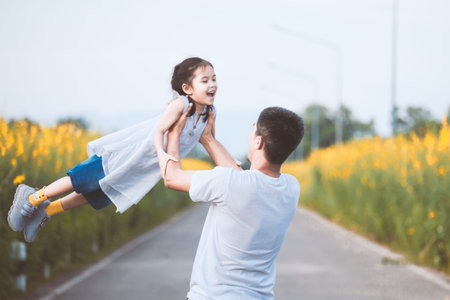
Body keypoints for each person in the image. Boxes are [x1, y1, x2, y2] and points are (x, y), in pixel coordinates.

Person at [8, 57, 222, 243]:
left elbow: (210, 141)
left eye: (214, 79)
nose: (212, 84)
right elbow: (159, 131)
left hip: (140, 171)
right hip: (126, 155)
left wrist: (232, 167)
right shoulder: (181, 105)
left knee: (96, 194)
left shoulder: (208, 114)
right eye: (205, 80)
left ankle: (46, 211)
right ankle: (32, 197)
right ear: (187, 88)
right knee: (81, 179)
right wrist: (162, 154)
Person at [162, 105, 304, 300]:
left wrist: (173, 131)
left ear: (258, 142)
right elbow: (242, 180)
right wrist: (208, 139)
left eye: (252, 128)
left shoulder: (231, 183)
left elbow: (171, 177)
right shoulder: (291, 188)